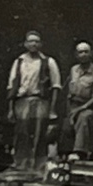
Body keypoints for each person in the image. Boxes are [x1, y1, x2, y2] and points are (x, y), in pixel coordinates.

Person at [6, 30, 62, 170]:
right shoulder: (19, 62)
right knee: (22, 133)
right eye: (31, 41)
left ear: (41, 44)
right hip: (22, 101)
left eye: (37, 41)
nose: (34, 44)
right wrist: (10, 109)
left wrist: (52, 109)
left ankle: (38, 166)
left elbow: (56, 86)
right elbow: (12, 85)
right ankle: (21, 164)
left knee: (39, 133)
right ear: (25, 44)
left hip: (41, 101)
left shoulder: (48, 62)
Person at [61, 41, 93, 157]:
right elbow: (68, 92)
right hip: (72, 106)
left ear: (91, 54)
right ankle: (63, 153)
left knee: (82, 118)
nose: (83, 54)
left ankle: (79, 151)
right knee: (65, 125)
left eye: (86, 51)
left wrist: (80, 109)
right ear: (76, 55)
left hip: (88, 107)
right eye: (80, 52)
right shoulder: (73, 70)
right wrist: (70, 111)